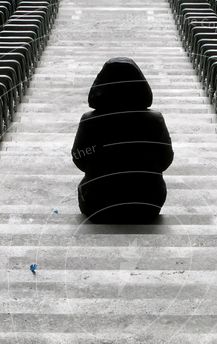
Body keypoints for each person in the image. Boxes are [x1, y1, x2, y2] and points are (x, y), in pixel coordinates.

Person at [71, 57, 174, 223]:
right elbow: (165, 160)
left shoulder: (89, 120)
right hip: (147, 203)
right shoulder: (155, 120)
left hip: (98, 204)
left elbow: (79, 159)